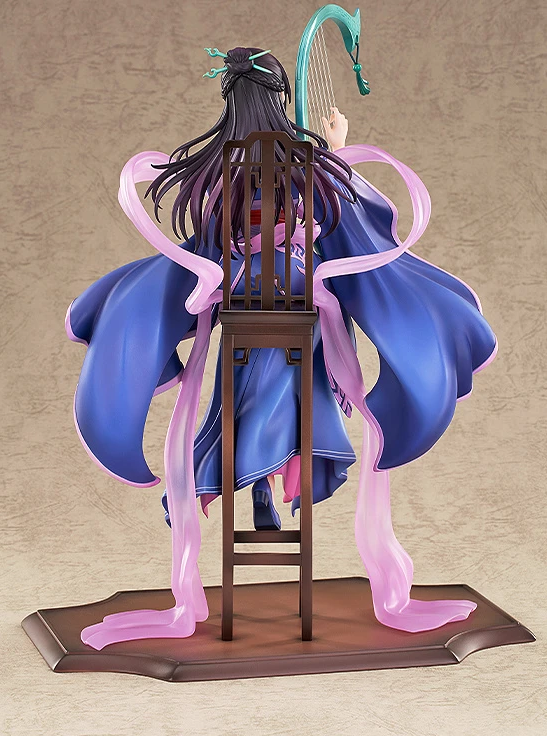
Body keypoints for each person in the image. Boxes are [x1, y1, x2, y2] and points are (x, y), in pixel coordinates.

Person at [67, 46, 497, 647]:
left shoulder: (222, 169)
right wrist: (335, 148)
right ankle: (271, 482)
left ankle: (254, 482)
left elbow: (212, 239)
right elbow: (342, 216)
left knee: (244, 395)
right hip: (294, 295)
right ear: (279, 97)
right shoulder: (304, 164)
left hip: (244, 300)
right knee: (298, 384)